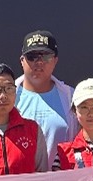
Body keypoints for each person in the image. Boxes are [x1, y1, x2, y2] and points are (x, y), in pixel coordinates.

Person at [14, 30, 77, 164]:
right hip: (21, 176)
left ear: (55, 61)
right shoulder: (9, 97)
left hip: (62, 176)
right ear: (22, 61)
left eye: (46, 56)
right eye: (32, 57)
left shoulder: (71, 97)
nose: (39, 62)